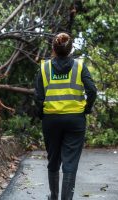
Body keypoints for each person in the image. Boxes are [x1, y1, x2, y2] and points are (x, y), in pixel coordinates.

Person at [34, 32, 97, 200]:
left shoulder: (44, 67)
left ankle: (53, 196)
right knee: (70, 162)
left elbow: (38, 97)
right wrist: (87, 108)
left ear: (53, 48)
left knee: (53, 158)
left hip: (51, 119)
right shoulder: (79, 66)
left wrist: (42, 115)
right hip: (75, 120)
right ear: (70, 49)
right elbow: (92, 90)